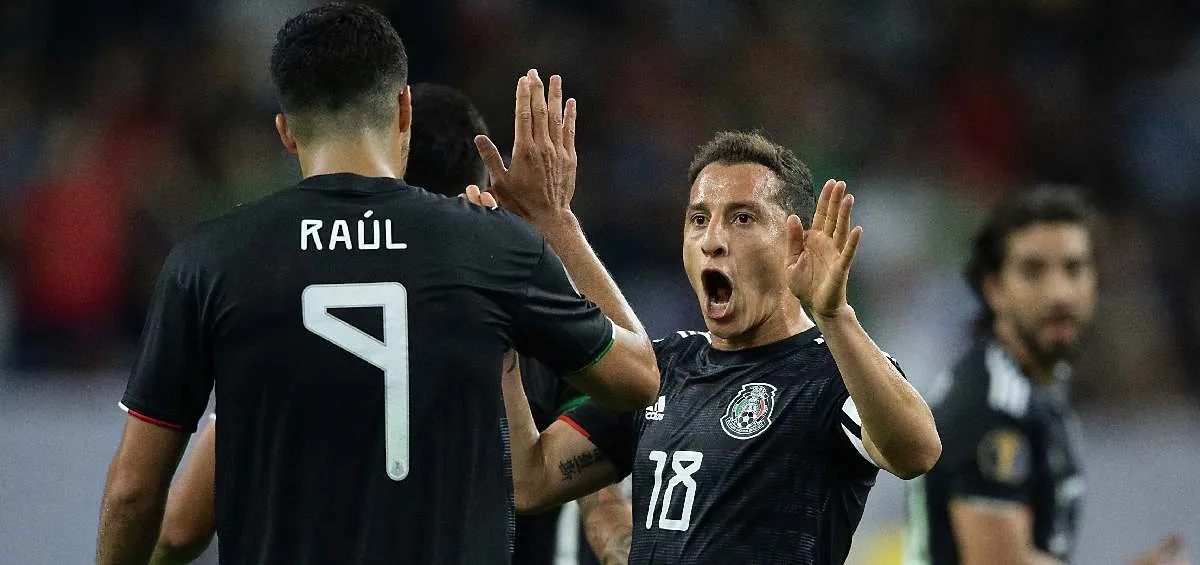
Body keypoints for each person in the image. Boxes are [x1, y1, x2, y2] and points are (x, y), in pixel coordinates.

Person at [95, 4, 660, 564]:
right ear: (404, 108)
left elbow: (134, 495)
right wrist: (555, 223)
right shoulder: (493, 249)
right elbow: (642, 382)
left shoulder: (210, 260)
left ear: (286, 131)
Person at [495, 131, 943, 564]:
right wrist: (500, 336)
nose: (712, 240)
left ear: (797, 243)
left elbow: (917, 452)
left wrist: (834, 315)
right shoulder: (666, 369)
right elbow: (531, 480)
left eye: (742, 218)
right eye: (699, 219)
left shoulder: (831, 372)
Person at [903, 187, 1187, 565]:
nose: (1059, 293)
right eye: (1033, 271)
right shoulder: (991, 406)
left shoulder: (1037, 384)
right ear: (994, 289)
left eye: (1074, 268)